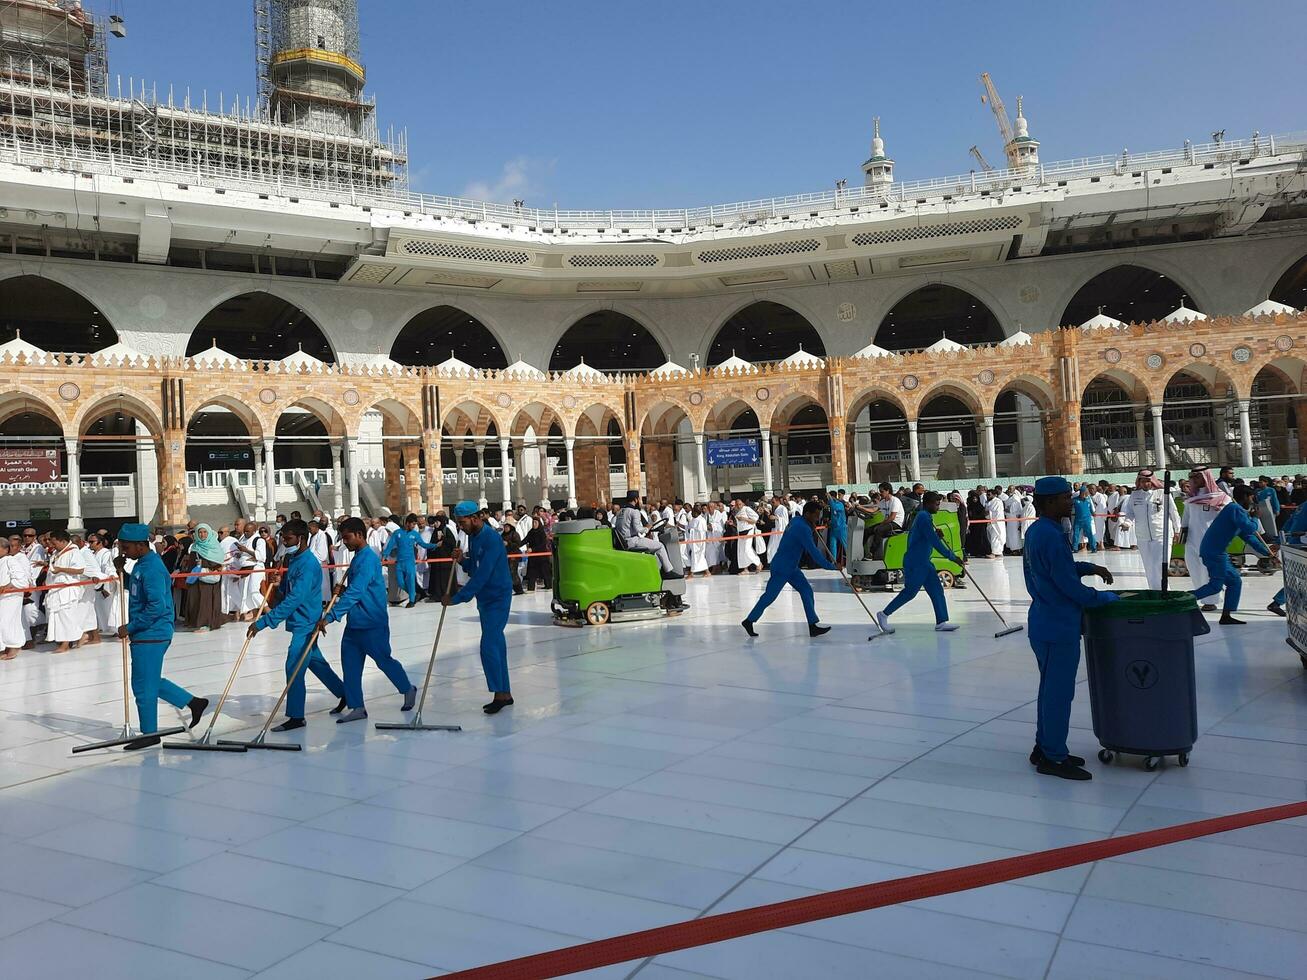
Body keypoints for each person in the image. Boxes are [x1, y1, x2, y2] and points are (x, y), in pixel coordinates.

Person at [1023, 477, 1119, 781]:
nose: (1072, 502)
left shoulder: (1041, 530)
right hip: (1057, 626)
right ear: (1050, 502)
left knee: (1049, 691)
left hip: (1045, 622)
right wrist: (1103, 599)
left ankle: (1044, 746)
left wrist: (1089, 567)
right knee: (1058, 694)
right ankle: (1053, 757)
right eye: (1066, 498)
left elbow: (1054, 570)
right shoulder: (1050, 535)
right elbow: (1066, 585)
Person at [114, 523, 208, 750]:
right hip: (148, 631)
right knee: (150, 680)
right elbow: (139, 590)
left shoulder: (152, 568)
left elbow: (157, 606)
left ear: (140, 545)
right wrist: (121, 572)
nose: (123, 552)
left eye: (126, 547)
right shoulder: (141, 564)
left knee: (142, 685)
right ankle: (194, 703)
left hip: (151, 632)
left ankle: (149, 733)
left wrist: (132, 626)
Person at [248, 519, 346, 731]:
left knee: (293, 667)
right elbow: (286, 591)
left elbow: (295, 598)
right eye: (283, 537)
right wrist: (278, 581)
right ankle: (346, 693)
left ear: (301, 538)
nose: (285, 541)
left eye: (289, 538)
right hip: (300, 620)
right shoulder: (293, 558)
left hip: (307, 622)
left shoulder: (309, 564)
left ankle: (296, 716)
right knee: (314, 662)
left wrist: (264, 621)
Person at [319, 517, 417, 723]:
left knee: (383, 660)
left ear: (359, 535)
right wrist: (342, 590)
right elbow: (357, 590)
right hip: (354, 623)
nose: (345, 542)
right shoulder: (357, 558)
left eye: (347, 538)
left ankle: (407, 688)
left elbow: (356, 592)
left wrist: (331, 617)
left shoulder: (369, 559)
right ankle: (357, 706)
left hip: (372, 623)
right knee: (351, 667)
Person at [446, 500, 515, 714]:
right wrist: (462, 561)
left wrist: (457, 598)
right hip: (485, 599)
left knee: (489, 645)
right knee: (496, 644)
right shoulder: (473, 538)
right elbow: (475, 568)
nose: (460, 526)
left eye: (462, 522)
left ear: (475, 518)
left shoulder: (491, 539)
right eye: (458, 522)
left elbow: (483, 575)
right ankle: (505, 692)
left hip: (497, 597)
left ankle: (499, 694)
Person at [741, 499, 835, 638]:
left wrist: (810, 526)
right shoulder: (802, 528)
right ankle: (749, 621)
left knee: (806, 590)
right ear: (808, 514)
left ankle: (812, 625)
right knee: (769, 596)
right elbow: (814, 553)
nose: (817, 518)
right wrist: (833, 567)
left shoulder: (797, 520)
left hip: (791, 567)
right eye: (815, 515)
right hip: (782, 567)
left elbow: (803, 530)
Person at [875, 492, 963, 633]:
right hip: (916, 563)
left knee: (937, 591)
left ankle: (941, 621)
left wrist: (937, 536)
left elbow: (927, 538)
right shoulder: (923, 518)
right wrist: (952, 557)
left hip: (924, 563)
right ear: (927, 503)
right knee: (910, 592)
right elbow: (934, 543)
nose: (938, 507)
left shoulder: (926, 516)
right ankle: (883, 614)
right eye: (936, 504)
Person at [1192, 484, 1274, 625]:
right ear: (1244, 497)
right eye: (1251, 497)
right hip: (1215, 553)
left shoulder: (1237, 511)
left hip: (1216, 551)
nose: (1253, 500)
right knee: (1215, 586)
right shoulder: (1234, 509)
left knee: (1234, 581)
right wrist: (1255, 518)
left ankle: (1226, 615)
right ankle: (1182, 599)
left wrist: (1267, 553)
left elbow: (1249, 537)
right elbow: (1250, 528)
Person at [1124, 469, 1180, 591]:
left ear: (1152, 481)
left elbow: (1173, 512)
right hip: (1143, 537)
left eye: (1148, 481)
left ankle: (1164, 592)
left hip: (1161, 535)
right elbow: (1130, 513)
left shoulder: (1162, 493)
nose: (1145, 484)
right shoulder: (1135, 495)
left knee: (1159, 567)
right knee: (1149, 568)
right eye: (1143, 481)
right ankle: (1155, 592)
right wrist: (1127, 523)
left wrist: (1177, 530)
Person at [1182, 467, 1229, 610]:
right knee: (1194, 568)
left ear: (1206, 477)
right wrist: (1182, 532)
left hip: (1211, 540)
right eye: (1193, 477)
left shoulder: (1220, 497)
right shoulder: (1192, 497)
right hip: (1192, 540)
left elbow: (1229, 518)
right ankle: (1201, 596)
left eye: (1198, 477)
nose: (1195, 480)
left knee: (1208, 570)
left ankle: (1211, 601)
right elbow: (1186, 517)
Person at [384, 513, 442, 607]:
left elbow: (423, 544)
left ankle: (411, 600)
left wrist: (435, 545)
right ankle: (414, 594)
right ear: (407, 523)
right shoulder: (397, 533)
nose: (414, 526)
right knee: (400, 582)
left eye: (415, 524)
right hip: (399, 563)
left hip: (410, 562)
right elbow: (390, 546)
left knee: (410, 581)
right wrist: (384, 556)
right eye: (413, 524)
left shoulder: (415, 534)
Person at [613, 492, 678, 576]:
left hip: (624, 541)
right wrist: (647, 528)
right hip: (633, 540)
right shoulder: (634, 511)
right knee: (660, 546)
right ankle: (668, 572)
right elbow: (638, 529)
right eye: (639, 499)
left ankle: (658, 569)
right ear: (636, 500)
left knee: (653, 547)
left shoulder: (621, 511)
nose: (640, 502)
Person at [44, 528, 88, 653]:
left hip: (67, 589)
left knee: (66, 617)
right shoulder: (57, 552)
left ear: (62, 541)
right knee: (58, 616)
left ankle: (66, 643)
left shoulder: (74, 552)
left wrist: (61, 569)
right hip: (56, 589)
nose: (52, 545)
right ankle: (71, 638)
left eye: (54, 542)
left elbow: (80, 569)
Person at [184, 523, 227, 632]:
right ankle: (195, 622)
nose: (202, 535)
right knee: (195, 601)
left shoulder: (215, 546)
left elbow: (219, 563)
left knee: (207, 601)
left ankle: (206, 623)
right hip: (197, 579)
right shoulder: (195, 546)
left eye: (205, 532)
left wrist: (204, 565)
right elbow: (191, 563)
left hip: (209, 579)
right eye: (200, 532)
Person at [1268, 499, 1307, 616]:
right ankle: (1277, 603)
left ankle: (1279, 602)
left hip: (1293, 544)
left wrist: (1279, 541)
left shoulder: (1302, 505)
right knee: (1300, 577)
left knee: (1299, 576)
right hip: (1302, 545)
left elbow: (1288, 524)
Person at [1071, 485, 1097, 553]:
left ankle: (1093, 547)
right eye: (1085, 493)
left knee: (1090, 534)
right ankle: (1075, 548)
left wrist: (1093, 512)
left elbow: (1091, 508)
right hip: (1078, 520)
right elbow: (1069, 507)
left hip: (1087, 520)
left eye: (1087, 493)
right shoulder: (1075, 500)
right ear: (1081, 492)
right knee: (1076, 534)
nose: (1086, 494)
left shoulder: (1088, 499)